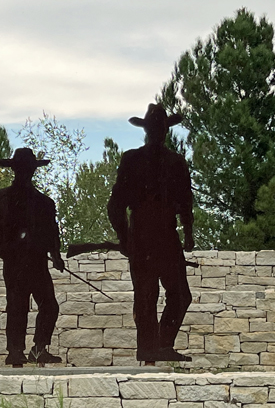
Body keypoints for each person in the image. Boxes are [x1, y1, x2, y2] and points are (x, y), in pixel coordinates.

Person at [107, 103, 194, 363]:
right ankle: (149, 348)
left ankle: (162, 345)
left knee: (178, 295)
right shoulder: (132, 159)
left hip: (163, 235)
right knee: (147, 296)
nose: (158, 133)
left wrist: (188, 232)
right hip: (145, 234)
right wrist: (125, 237)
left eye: (161, 128)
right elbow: (116, 204)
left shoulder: (175, 162)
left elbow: (185, 201)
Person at [0, 148, 65, 366]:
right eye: (22, 168)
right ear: (16, 170)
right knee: (17, 305)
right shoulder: (3, 198)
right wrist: (1, 247)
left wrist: (55, 254)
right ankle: (15, 351)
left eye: (27, 168)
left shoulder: (44, 202)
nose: (25, 172)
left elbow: (52, 231)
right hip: (14, 261)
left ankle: (39, 348)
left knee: (49, 305)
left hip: (38, 262)